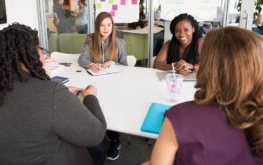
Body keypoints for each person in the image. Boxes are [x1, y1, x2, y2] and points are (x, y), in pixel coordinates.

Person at [0, 23, 107, 165]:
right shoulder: (51, 93)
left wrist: (59, 98)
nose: (44, 56)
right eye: (40, 49)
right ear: (29, 55)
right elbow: (96, 134)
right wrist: (90, 97)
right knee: (96, 150)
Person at [143, 27, 263, 165]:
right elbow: (157, 63)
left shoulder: (180, 116)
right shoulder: (169, 44)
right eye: (178, 30)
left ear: (209, 66)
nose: (182, 34)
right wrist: (173, 66)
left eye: (202, 59)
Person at [78, 11, 126, 160]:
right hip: (96, 81)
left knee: (112, 104)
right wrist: (92, 65)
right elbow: (81, 59)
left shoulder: (119, 42)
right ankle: (98, 132)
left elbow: (125, 65)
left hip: (114, 83)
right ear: (97, 26)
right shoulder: (91, 39)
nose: (106, 28)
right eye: (102, 25)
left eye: (109, 25)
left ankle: (115, 139)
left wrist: (115, 62)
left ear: (112, 26)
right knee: (96, 103)